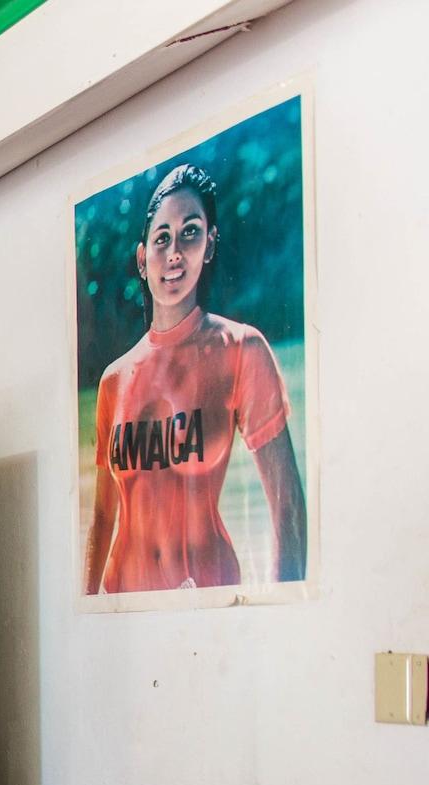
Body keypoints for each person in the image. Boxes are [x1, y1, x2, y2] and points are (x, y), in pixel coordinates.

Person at [83, 162, 306, 595]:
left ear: (210, 244)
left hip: (208, 601)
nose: (174, 253)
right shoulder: (114, 380)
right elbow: (101, 520)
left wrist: (285, 615)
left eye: (190, 232)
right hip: (124, 611)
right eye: (161, 238)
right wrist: (87, 616)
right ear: (142, 259)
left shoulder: (242, 350)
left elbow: (287, 508)